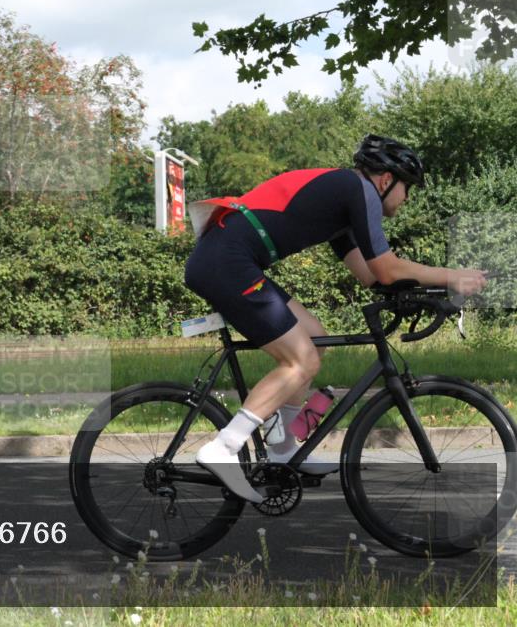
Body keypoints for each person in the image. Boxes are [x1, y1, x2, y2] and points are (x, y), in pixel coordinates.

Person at [184, 134, 488, 503]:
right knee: (301, 359)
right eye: (407, 187)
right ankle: (224, 446)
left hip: (229, 260)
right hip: (226, 263)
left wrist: (425, 294)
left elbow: (373, 276)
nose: (407, 198)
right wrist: (450, 275)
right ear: (385, 179)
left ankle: (283, 447)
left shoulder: (343, 205)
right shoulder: (355, 188)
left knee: (313, 337)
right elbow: (387, 269)